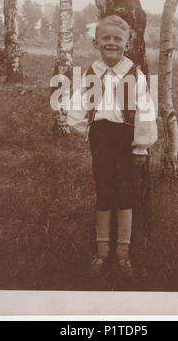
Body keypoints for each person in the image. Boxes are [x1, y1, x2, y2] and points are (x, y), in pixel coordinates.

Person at [67, 15, 157, 277]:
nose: (111, 43)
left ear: (126, 44)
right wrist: (80, 127)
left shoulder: (133, 74)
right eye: (105, 38)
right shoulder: (91, 73)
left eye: (117, 39)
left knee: (125, 191)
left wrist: (141, 146)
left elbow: (145, 111)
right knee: (104, 190)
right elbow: (79, 103)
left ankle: (123, 253)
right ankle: (102, 250)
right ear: (96, 43)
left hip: (126, 139)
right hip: (100, 138)